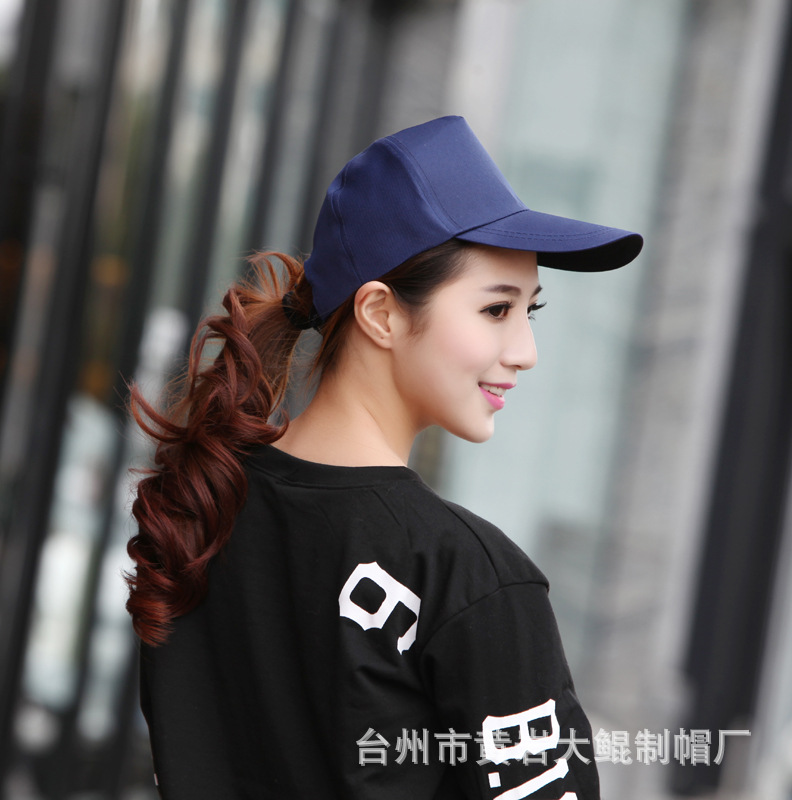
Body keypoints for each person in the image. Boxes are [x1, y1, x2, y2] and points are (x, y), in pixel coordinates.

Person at [126, 115, 643, 799]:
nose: (526, 351)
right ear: (380, 314)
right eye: (496, 310)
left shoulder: (203, 505)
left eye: (530, 312)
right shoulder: (466, 578)